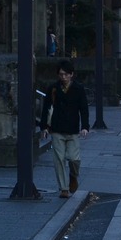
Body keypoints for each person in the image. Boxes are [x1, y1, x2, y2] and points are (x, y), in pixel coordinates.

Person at [40, 60, 90, 198]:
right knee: (59, 159)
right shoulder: (53, 89)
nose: (63, 77)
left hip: (73, 129)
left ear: (71, 75)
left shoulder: (78, 89)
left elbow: (83, 109)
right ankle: (63, 188)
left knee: (74, 159)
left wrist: (85, 126)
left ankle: (73, 175)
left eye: (66, 74)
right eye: (61, 74)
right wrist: (44, 127)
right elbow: (47, 108)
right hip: (57, 128)